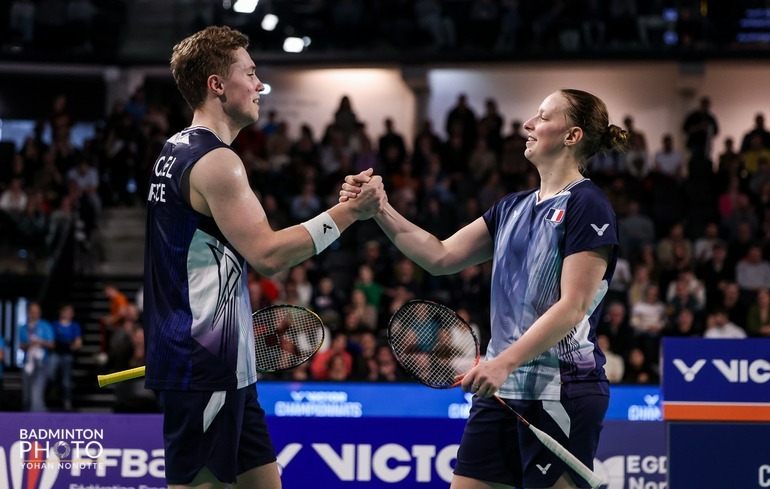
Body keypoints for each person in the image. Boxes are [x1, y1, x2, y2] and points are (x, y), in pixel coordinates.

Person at [343, 88, 627, 489]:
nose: (529, 124)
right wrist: (380, 209)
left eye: (544, 117)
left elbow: (573, 306)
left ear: (572, 136)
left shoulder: (588, 205)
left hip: (560, 389)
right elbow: (440, 257)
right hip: (501, 391)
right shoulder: (511, 207)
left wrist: (503, 362)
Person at [142, 25, 385, 489]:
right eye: (250, 74)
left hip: (222, 365)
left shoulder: (173, 150)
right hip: (204, 364)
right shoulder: (217, 163)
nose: (259, 85)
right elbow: (269, 255)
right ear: (217, 85)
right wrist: (351, 212)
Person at [19, 302, 55, 412]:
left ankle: (38, 421)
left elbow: (52, 344)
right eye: (32, 312)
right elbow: (20, 345)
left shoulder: (45, 326)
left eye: (37, 312)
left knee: (36, 392)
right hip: (28, 362)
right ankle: (26, 420)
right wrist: (29, 344)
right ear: (28, 312)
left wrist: (40, 342)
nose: (35, 314)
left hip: (41, 362)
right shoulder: (23, 328)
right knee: (27, 394)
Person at [50, 303, 83, 411]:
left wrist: (72, 346)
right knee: (50, 373)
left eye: (70, 312)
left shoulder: (74, 326)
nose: (69, 314)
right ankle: (53, 391)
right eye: (67, 311)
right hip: (56, 353)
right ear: (61, 312)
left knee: (66, 381)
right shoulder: (55, 325)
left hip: (67, 354)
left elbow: (78, 342)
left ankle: (67, 401)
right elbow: (50, 341)